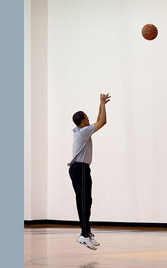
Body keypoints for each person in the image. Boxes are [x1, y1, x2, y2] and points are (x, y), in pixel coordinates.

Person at [68, 93, 111, 250]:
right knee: (84, 201)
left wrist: (101, 104)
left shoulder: (81, 130)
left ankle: (85, 233)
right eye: (86, 116)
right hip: (80, 169)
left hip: (80, 169)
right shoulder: (84, 131)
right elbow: (103, 121)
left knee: (87, 201)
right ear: (82, 121)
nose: (88, 118)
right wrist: (102, 104)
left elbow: (98, 121)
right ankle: (84, 235)